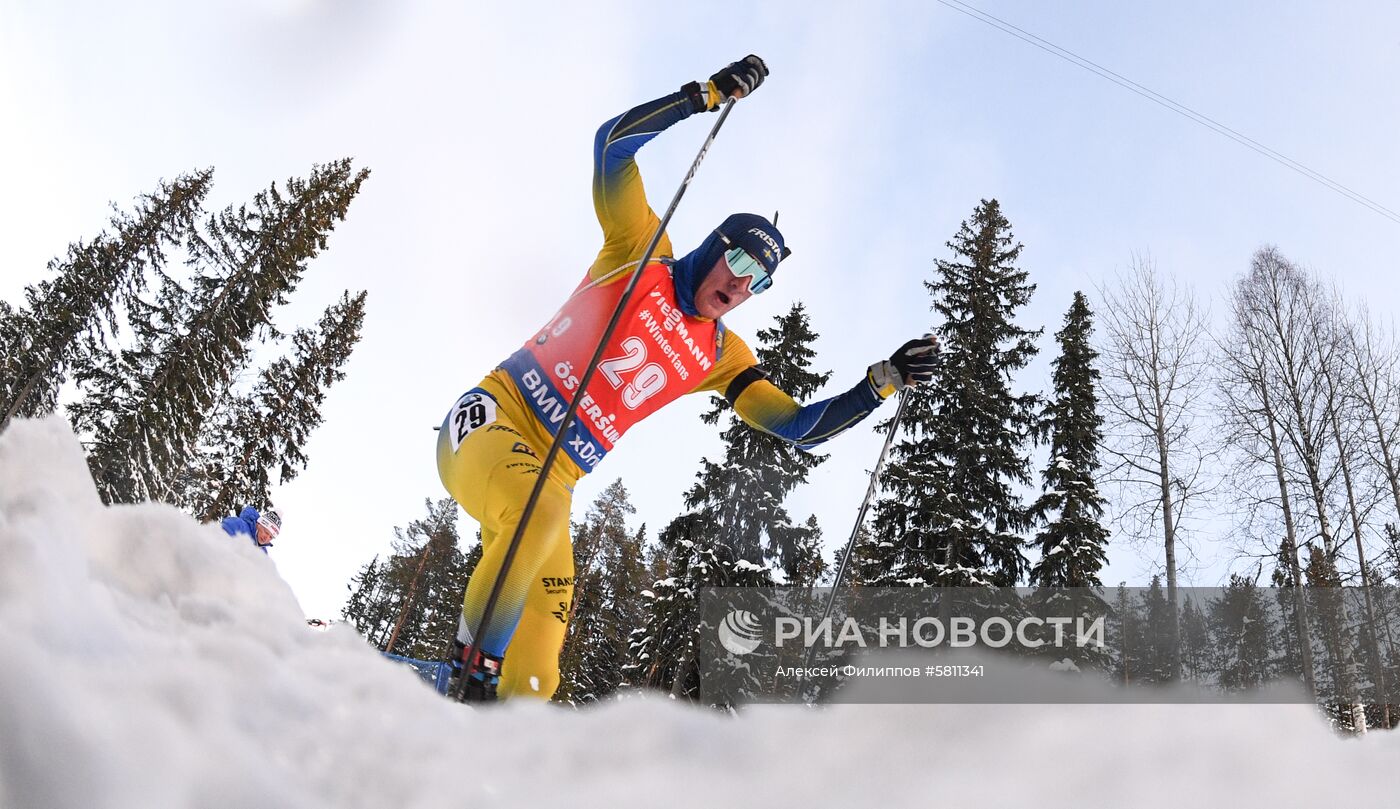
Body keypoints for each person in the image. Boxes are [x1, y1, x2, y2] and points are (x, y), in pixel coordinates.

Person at [436, 55, 938, 702]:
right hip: (494, 418)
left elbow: (797, 426)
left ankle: (511, 734)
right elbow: (613, 147)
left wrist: (882, 381)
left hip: (553, 474)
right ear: (712, 248)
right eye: (734, 260)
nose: (737, 283)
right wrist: (701, 96)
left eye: (757, 279)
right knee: (539, 518)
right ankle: (469, 676)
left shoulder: (721, 354)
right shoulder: (640, 248)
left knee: (552, 607)